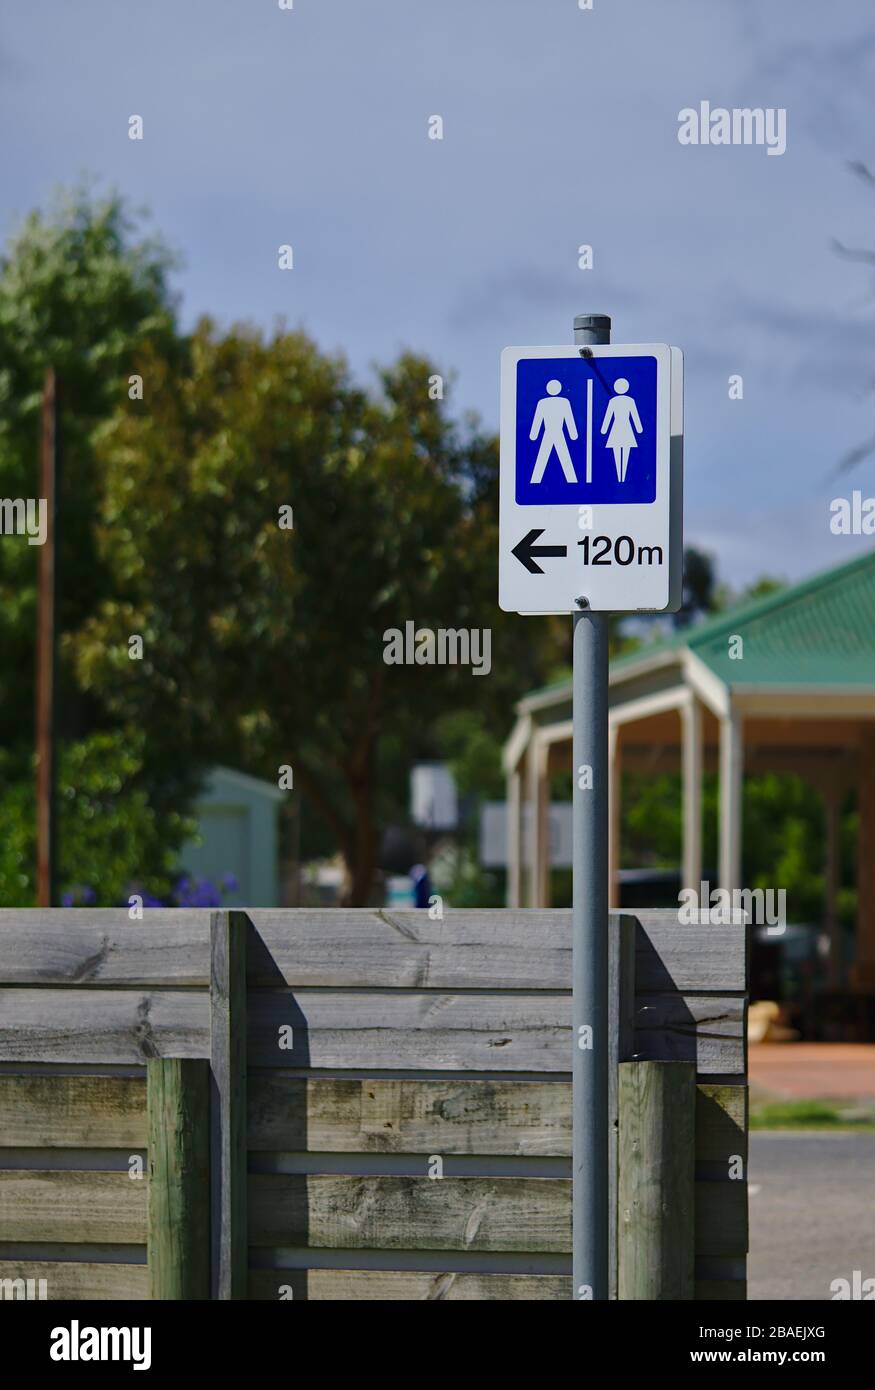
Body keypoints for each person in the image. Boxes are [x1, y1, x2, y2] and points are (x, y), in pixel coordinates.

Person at [528, 379, 579, 484]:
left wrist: (534, 435)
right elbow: (569, 420)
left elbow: (538, 420)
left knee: (545, 455)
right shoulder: (564, 402)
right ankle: (571, 480)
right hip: (555, 433)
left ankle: (536, 480)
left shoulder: (543, 403)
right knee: (562, 456)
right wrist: (573, 434)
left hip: (551, 433)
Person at [600, 378, 642, 481]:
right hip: (625, 429)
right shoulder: (629, 401)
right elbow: (634, 416)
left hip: (617, 428)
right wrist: (638, 429)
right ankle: (621, 476)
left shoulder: (613, 401)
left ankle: (621, 476)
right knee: (625, 451)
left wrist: (604, 430)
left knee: (617, 452)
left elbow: (608, 417)